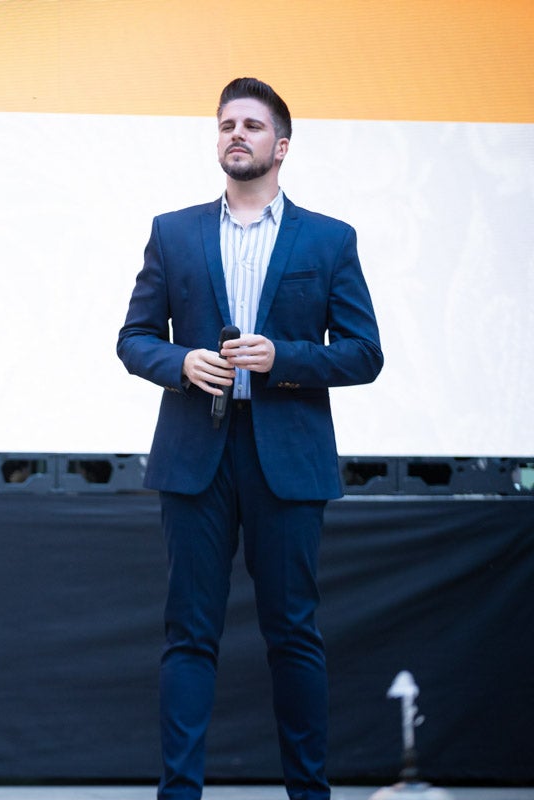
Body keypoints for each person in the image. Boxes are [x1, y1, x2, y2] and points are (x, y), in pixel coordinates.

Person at [116, 78, 383, 800]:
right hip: (194, 456)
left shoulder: (329, 239)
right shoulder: (174, 231)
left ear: (281, 145)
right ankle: (179, 795)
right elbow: (134, 339)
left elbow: (364, 353)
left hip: (286, 459)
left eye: (253, 125)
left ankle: (309, 794)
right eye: (227, 124)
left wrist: (284, 359)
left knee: (293, 635)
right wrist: (180, 362)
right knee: (188, 637)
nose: (237, 133)